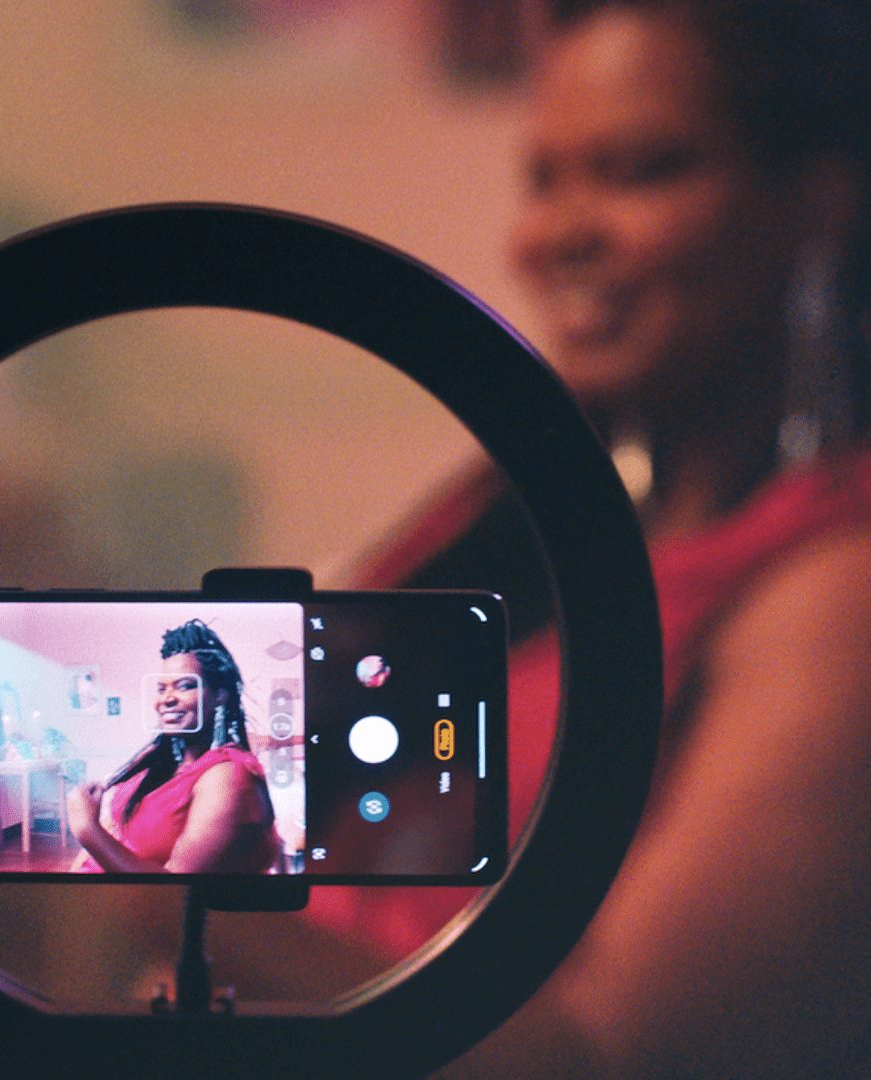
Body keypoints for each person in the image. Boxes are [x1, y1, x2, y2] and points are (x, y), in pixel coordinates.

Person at [311, 1, 871, 1074]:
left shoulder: (839, 588)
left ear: (819, 201)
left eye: (637, 170)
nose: (553, 235)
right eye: (545, 179)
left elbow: (613, 1054)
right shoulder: (515, 505)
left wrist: (172, 908)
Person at [67, 619, 281, 875]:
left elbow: (174, 887)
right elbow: (115, 830)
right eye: (162, 688)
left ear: (219, 695)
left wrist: (87, 830)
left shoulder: (229, 777)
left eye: (185, 686)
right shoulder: (159, 760)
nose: (167, 698)